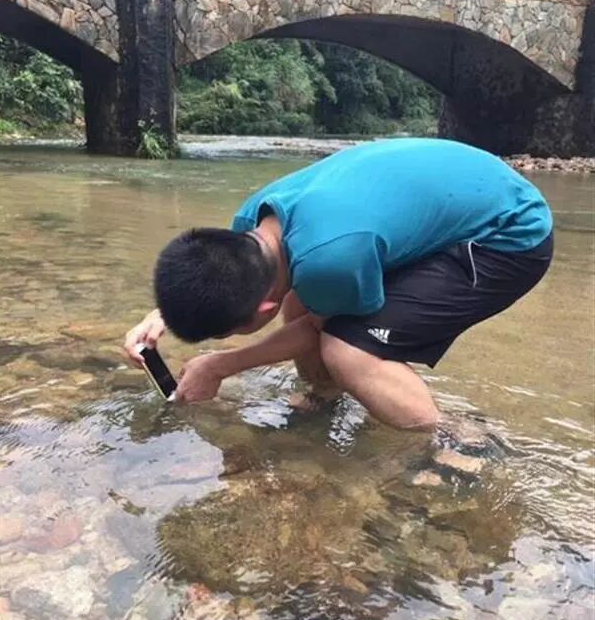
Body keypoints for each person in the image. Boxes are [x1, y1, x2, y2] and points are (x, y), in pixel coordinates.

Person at [124, 138, 553, 432]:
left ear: (261, 312)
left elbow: (315, 329)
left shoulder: (332, 261)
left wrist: (219, 365)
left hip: (510, 233)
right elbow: (212, 270)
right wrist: (164, 312)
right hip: (461, 189)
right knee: (310, 306)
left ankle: (443, 438)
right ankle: (324, 395)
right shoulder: (250, 222)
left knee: (347, 349)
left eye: (228, 328)